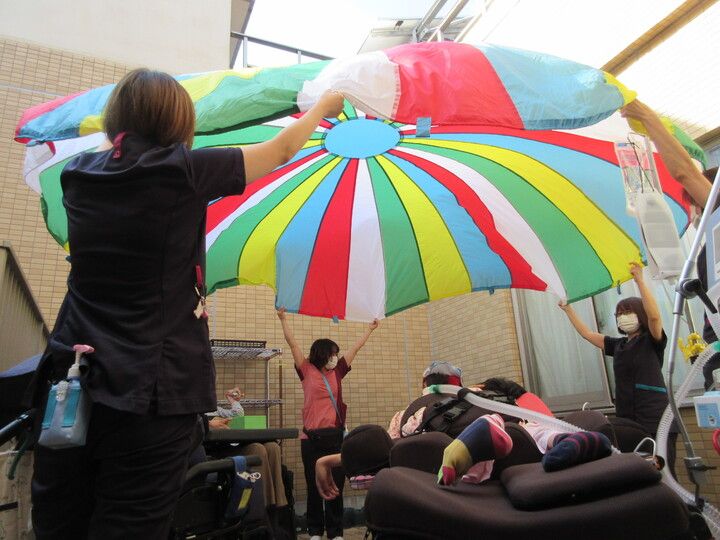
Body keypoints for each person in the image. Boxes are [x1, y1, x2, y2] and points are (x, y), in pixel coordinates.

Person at [30, 67, 344, 539]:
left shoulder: (78, 175)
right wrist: (323, 107)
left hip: (70, 390)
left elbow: (118, 158)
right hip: (148, 391)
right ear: (180, 123)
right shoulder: (183, 170)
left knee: (61, 521)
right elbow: (281, 150)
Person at [621, 99, 719, 389]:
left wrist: (648, 119)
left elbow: (684, 172)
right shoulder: (711, 246)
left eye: (695, 204)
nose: (695, 213)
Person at [558, 261, 676, 473]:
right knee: (636, 471)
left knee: (662, 472)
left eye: (628, 312)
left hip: (656, 418)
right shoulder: (618, 345)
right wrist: (568, 309)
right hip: (627, 420)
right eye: (619, 313)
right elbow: (587, 334)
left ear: (639, 314)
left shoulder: (651, 340)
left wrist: (639, 280)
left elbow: (654, 316)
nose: (623, 317)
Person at [277, 308, 378, 540]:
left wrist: (369, 330)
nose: (336, 357)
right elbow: (292, 344)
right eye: (333, 354)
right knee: (314, 486)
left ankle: (335, 532)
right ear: (323, 354)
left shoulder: (338, 371)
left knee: (336, 485)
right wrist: (283, 319)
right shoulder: (306, 370)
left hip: (336, 438)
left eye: (336, 354)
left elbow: (355, 348)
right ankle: (315, 531)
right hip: (311, 439)